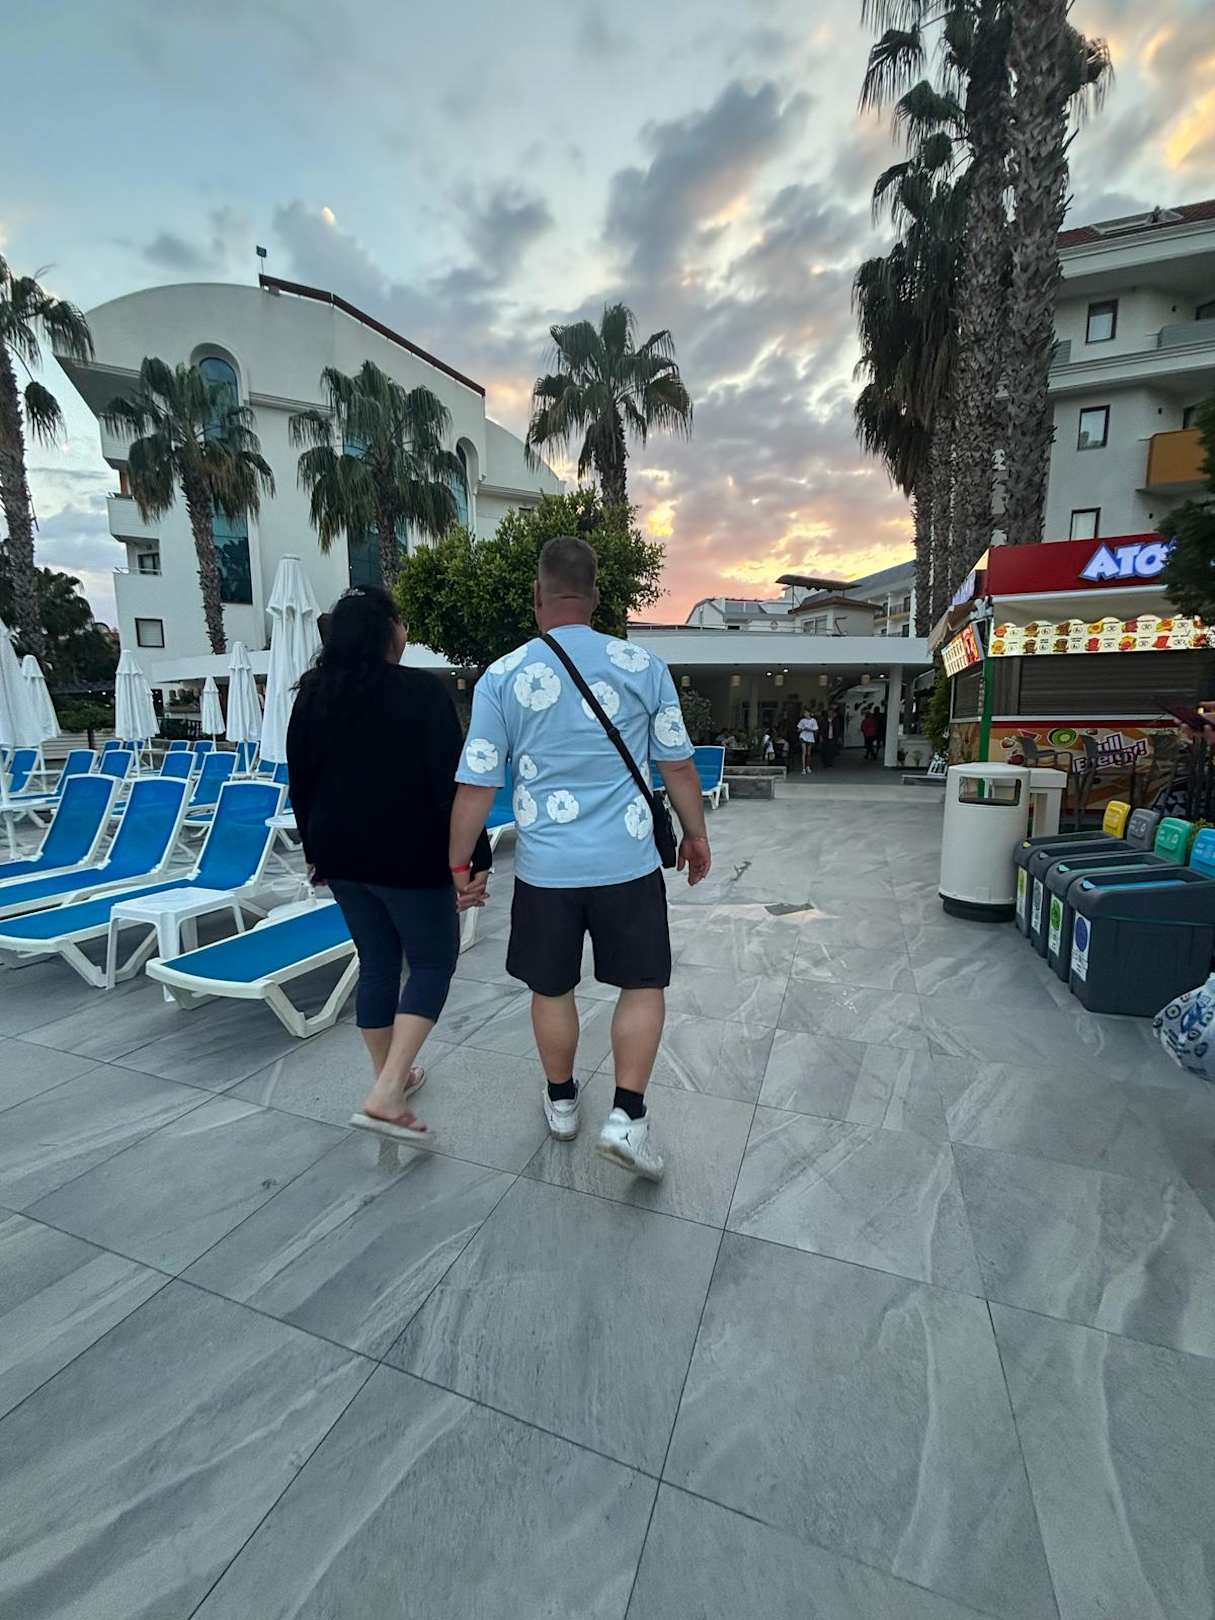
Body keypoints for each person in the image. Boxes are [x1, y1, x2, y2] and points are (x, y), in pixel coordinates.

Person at [449, 535, 711, 1180]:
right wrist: (695, 834)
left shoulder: (502, 676)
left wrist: (458, 866)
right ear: (595, 597)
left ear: (536, 595)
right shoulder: (642, 665)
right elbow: (677, 764)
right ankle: (627, 1117)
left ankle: (563, 1102)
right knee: (642, 984)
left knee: (551, 987)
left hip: (546, 872)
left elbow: (477, 784)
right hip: (628, 865)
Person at [287, 585, 490, 1143]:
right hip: (409, 856)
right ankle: (388, 1091)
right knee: (432, 962)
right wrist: (473, 858)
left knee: (377, 963)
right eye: (401, 621)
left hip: (341, 857)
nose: (405, 630)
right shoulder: (420, 692)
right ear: (387, 630)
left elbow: (301, 782)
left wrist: (314, 851)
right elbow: (453, 785)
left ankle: (390, 1080)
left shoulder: (312, 694)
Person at [796, 709, 819, 773]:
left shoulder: (813, 720)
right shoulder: (802, 720)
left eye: (806, 713)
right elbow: (798, 730)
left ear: (809, 713)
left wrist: (809, 729)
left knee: (809, 753)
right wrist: (801, 729)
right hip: (803, 737)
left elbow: (816, 730)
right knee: (804, 752)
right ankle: (803, 768)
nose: (805, 714)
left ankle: (808, 766)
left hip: (810, 738)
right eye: (804, 713)